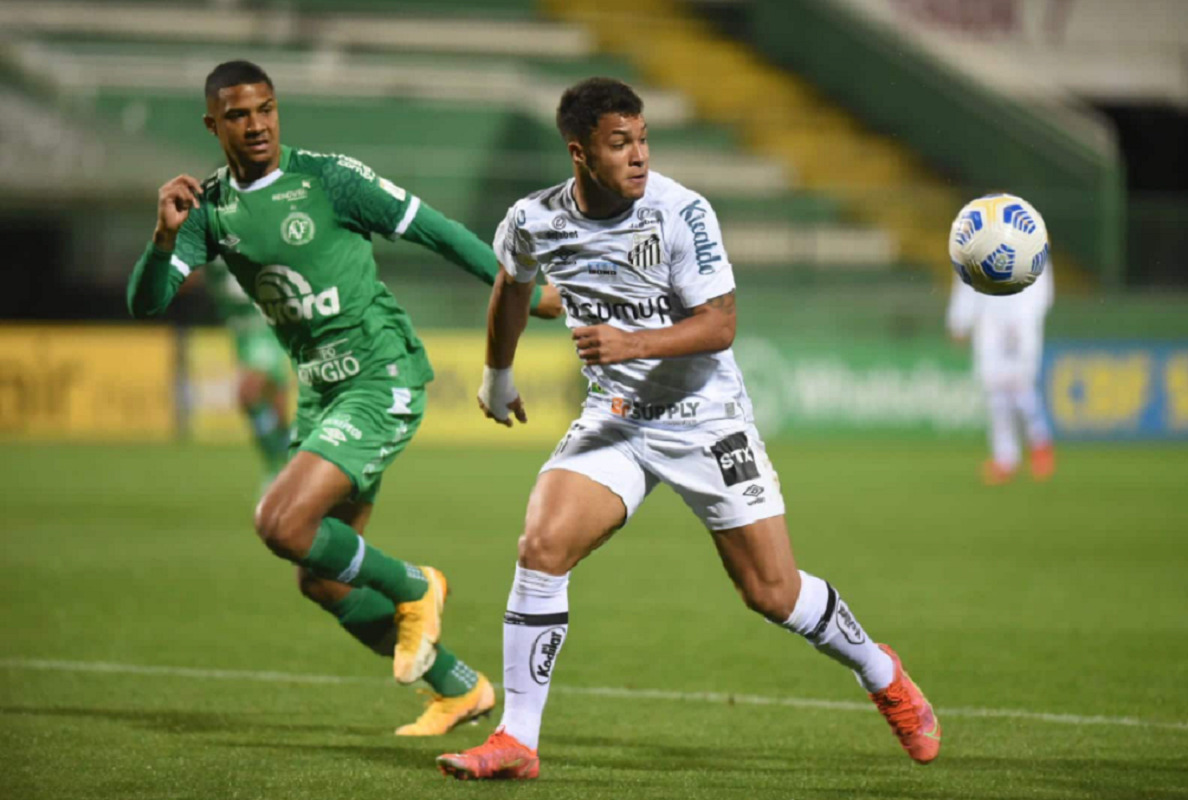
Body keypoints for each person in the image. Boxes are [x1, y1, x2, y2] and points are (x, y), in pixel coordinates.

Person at [436, 77, 940, 781]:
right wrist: (497, 373)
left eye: (643, 140)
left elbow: (720, 324)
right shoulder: (534, 218)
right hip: (616, 418)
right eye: (621, 145)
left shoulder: (681, 213)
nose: (639, 156)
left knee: (772, 592)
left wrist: (629, 345)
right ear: (580, 154)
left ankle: (880, 671)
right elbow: (511, 286)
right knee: (542, 546)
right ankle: (518, 741)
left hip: (706, 420)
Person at [126, 60, 562, 735]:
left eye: (266, 109)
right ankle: (459, 688)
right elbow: (146, 303)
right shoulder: (207, 207)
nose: (257, 124)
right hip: (321, 394)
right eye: (239, 115)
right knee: (321, 577)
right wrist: (161, 239)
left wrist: (525, 291)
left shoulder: (328, 180)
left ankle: (416, 586)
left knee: (280, 522)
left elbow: (434, 229)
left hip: (378, 375)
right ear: (213, 124)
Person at [947, 259, 1056, 484]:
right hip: (989, 325)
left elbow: (1042, 281)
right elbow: (968, 277)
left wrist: (1028, 315)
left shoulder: (1028, 231)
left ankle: (1040, 445)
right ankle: (1005, 458)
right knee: (995, 392)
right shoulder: (977, 234)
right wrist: (959, 320)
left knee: (1022, 388)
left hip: (1020, 323)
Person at [194, 260, 293, 490]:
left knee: (247, 392)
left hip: (266, 326)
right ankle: (289, 464)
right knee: (276, 407)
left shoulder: (246, 233)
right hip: (242, 332)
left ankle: (275, 469)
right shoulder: (205, 241)